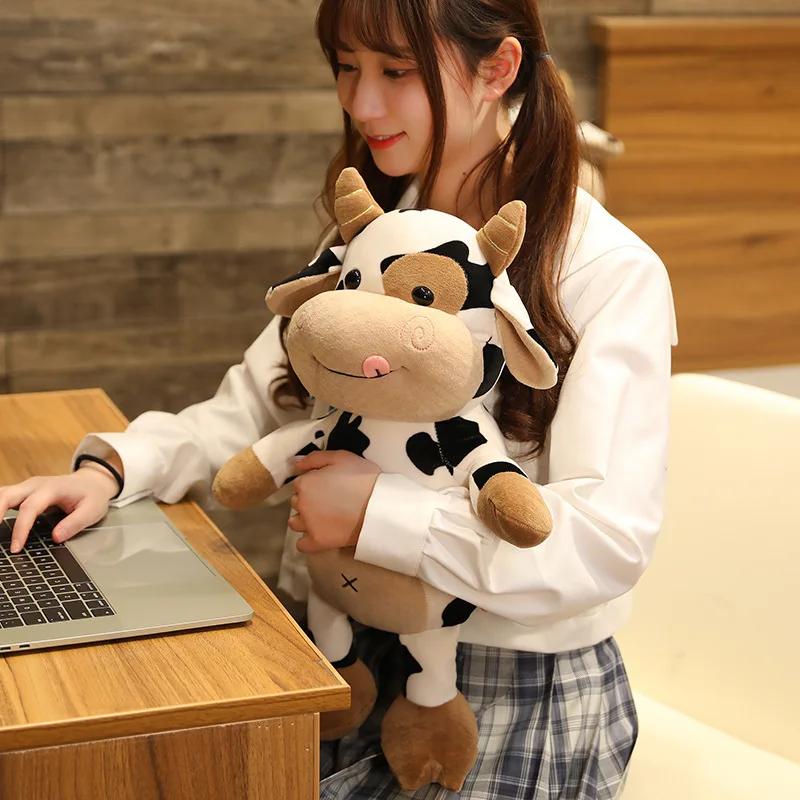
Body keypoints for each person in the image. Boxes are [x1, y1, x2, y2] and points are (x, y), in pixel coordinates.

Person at [0, 0, 678, 797]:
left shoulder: (606, 273)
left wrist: (376, 515)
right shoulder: (374, 235)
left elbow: (605, 543)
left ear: (497, 69)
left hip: (508, 686)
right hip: (338, 647)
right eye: (347, 68)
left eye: (396, 71)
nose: (361, 103)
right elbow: (249, 410)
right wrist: (112, 469)